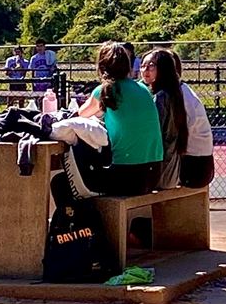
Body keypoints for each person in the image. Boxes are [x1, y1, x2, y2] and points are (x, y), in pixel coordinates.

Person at [66, 40, 164, 196]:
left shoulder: (105, 91)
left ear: (102, 67)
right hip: (154, 174)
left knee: (65, 180)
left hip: (127, 176)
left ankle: (81, 211)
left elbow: (79, 115)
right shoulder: (143, 89)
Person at [144, 47, 212, 189]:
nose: (145, 70)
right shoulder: (181, 89)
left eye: (151, 66)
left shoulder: (166, 96)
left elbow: (160, 137)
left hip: (192, 168)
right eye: (143, 66)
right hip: (203, 166)